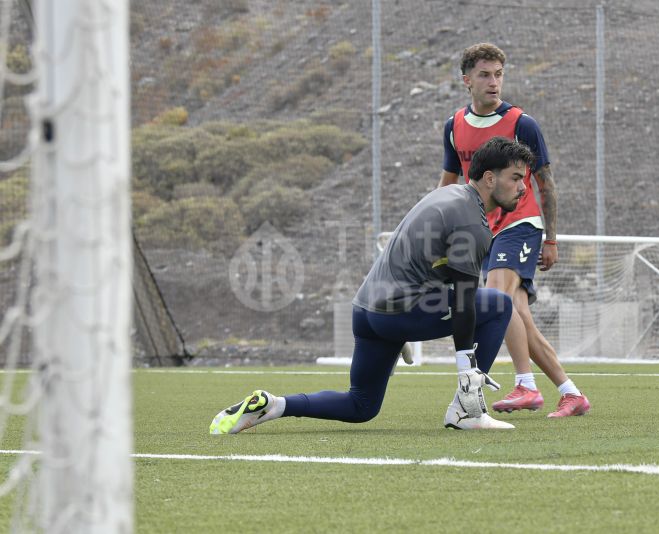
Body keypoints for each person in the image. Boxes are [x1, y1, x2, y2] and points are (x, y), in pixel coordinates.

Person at [210, 136, 534, 434]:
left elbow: (416, 262)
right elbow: (464, 302)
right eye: (516, 178)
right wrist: (466, 370)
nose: (523, 187)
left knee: (361, 405)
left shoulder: (446, 196)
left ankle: (273, 405)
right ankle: (467, 409)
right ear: (490, 178)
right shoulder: (470, 221)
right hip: (396, 312)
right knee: (498, 304)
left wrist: (403, 321)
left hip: (367, 310)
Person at [438, 42, 590, 418]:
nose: (494, 83)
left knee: (494, 300)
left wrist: (550, 238)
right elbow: (447, 185)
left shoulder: (523, 123)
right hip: (483, 231)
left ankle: (525, 385)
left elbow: (547, 184)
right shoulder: (454, 127)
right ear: (466, 81)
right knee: (517, 312)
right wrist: (437, 230)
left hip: (520, 225)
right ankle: (571, 394)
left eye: (499, 75)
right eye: (485, 75)